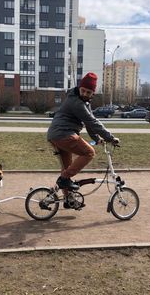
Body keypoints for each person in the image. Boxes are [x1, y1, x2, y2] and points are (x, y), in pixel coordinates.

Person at [47, 72, 119, 208]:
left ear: (93, 93)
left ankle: (68, 200)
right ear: (79, 88)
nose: (85, 93)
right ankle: (63, 179)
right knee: (89, 152)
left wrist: (97, 139)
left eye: (88, 92)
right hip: (63, 134)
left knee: (67, 169)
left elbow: (89, 122)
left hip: (57, 134)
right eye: (83, 90)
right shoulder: (76, 102)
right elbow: (92, 121)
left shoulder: (84, 102)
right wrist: (110, 137)